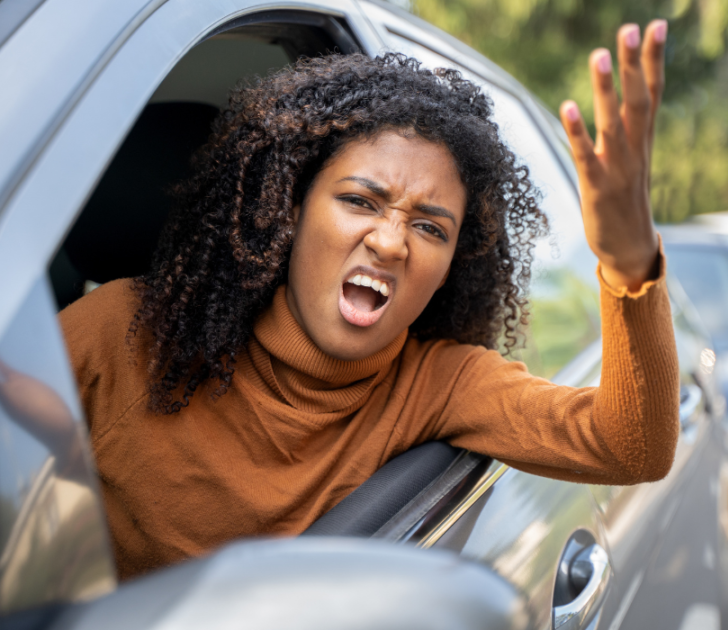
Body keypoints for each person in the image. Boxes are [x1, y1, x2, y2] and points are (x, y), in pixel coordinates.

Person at [54, 20, 679, 580]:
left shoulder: (437, 385)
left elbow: (631, 444)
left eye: (430, 227)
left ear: (447, 271)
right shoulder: (124, 331)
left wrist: (629, 266)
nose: (389, 242)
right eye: (359, 201)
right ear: (290, 210)